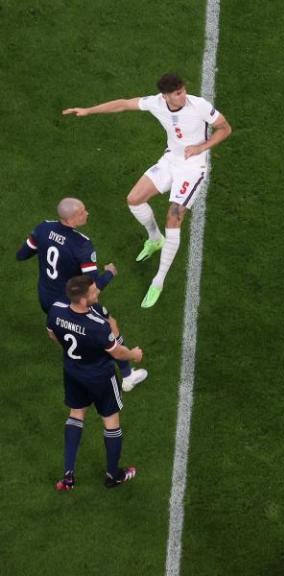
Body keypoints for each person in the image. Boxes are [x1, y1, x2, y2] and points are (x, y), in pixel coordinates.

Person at [62, 72, 232, 307]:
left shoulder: (199, 105)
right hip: (171, 160)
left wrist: (202, 147)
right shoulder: (155, 103)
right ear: (165, 96)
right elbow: (122, 104)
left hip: (193, 167)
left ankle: (158, 280)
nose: (183, 96)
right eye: (178, 93)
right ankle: (155, 239)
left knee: (173, 217)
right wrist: (89, 110)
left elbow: (225, 128)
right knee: (134, 199)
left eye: (183, 90)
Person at [17, 197, 148, 391]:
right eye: (82, 212)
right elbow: (93, 288)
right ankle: (127, 376)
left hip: (46, 299)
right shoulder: (81, 244)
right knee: (109, 325)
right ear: (71, 219)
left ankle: (78, 355)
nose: (87, 213)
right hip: (73, 300)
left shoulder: (43, 228)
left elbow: (22, 255)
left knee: (59, 331)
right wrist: (110, 273)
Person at [47, 275, 143, 490]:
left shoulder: (56, 309)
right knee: (111, 422)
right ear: (82, 300)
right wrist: (134, 354)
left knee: (76, 414)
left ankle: (69, 475)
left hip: (72, 372)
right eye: (92, 292)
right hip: (100, 377)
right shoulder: (97, 325)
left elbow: (52, 334)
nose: (96, 293)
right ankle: (113, 475)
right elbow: (117, 352)